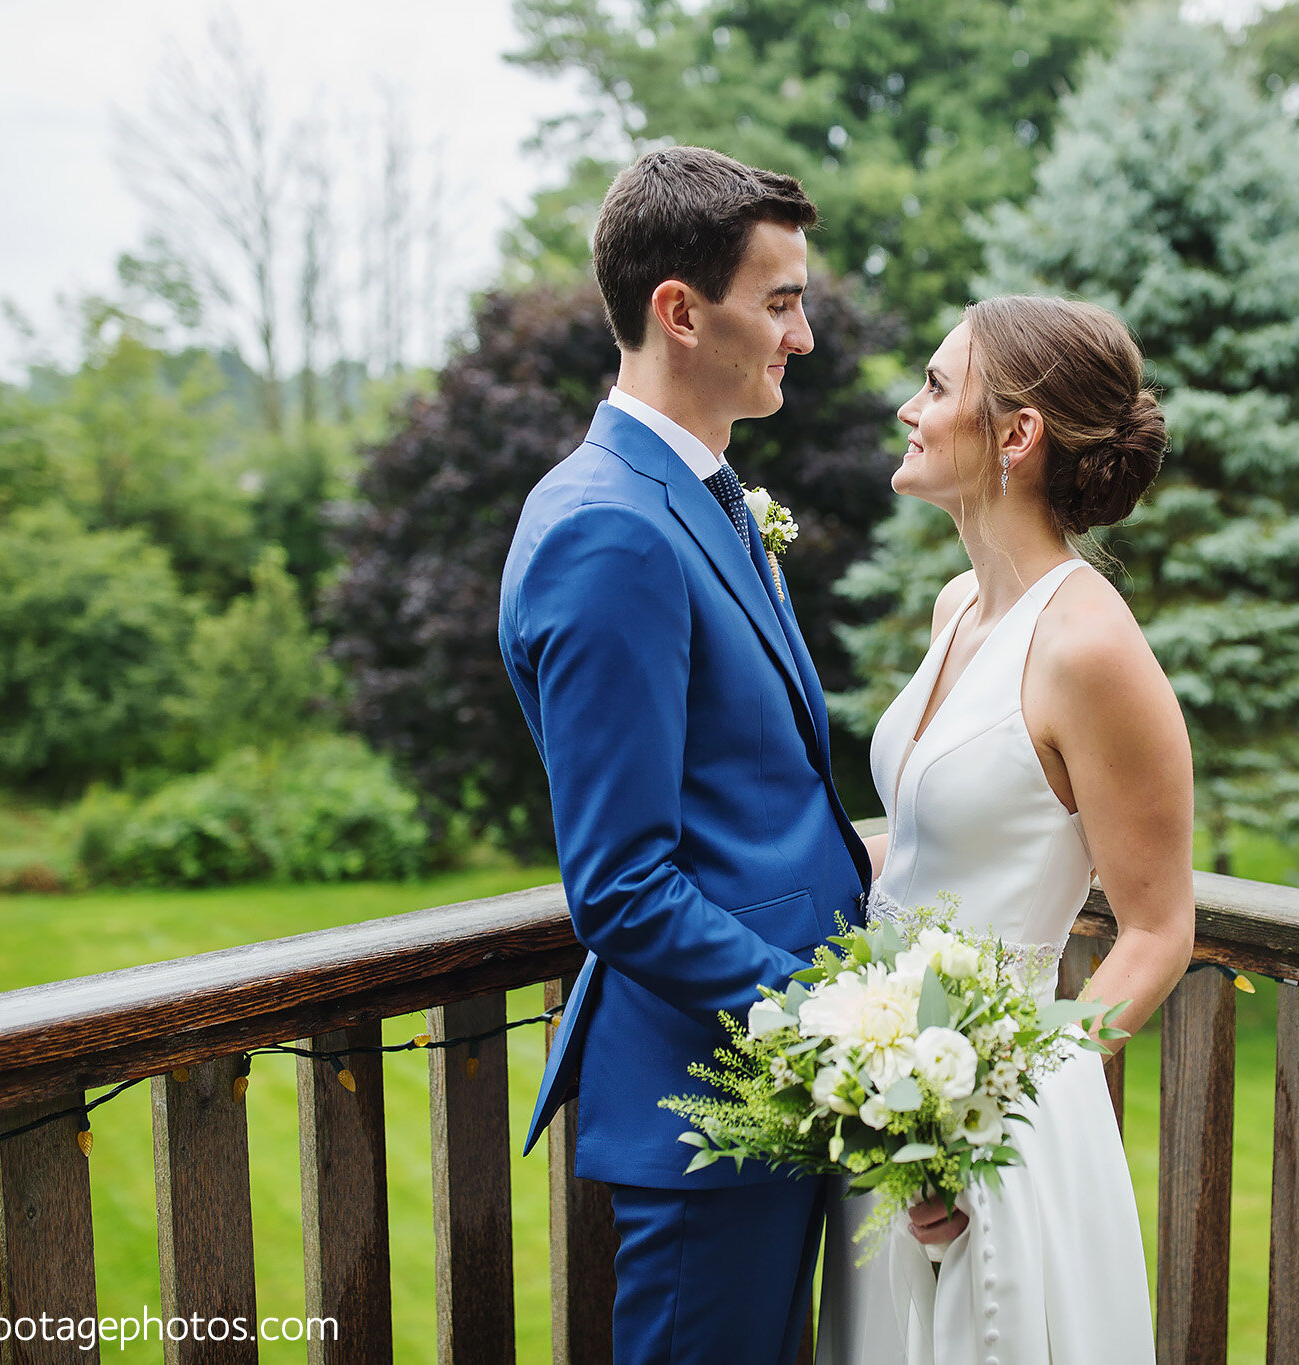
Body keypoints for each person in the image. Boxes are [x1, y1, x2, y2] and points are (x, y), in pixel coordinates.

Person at [500, 146, 871, 1365]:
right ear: (678, 310)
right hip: (714, 1101)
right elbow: (619, 884)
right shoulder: (610, 528)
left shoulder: (699, 496)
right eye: (779, 302)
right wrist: (826, 1029)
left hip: (773, 1087)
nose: (802, 335)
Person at [817, 297, 1196, 1365]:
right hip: (891, 1104)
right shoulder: (955, 608)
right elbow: (937, 843)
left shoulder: (1088, 648)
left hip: (997, 1136)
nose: (909, 408)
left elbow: (1157, 928)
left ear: (1016, 436)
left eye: (936, 388)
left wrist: (987, 1110)